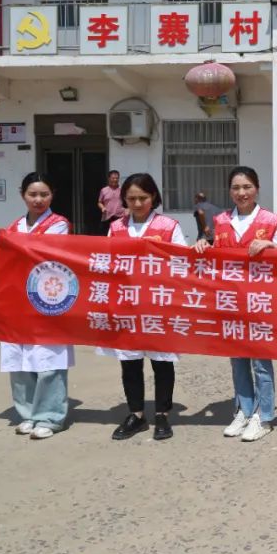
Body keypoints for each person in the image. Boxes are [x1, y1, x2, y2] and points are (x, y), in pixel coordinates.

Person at [195, 166, 277, 443]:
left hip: (260, 301)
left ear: (257, 189)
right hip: (231, 301)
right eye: (236, 188)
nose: (241, 193)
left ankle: (264, 416)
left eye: (247, 187)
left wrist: (270, 244)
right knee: (237, 360)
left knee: (261, 362)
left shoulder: (271, 220)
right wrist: (203, 245)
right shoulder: (221, 220)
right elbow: (213, 254)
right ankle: (244, 410)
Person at [98, 173, 185, 441]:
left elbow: (182, 263)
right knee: (130, 362)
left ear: (153, 197)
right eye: (131, 198)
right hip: (128, 305)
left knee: (162, 362)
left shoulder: (169, 226)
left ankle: (162, 414)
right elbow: (107, 263)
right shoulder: (116, 227)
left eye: (143, 198)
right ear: (124, 198)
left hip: (159, 304)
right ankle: (136, 414)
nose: (137, 204)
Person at [1, 172, 74, 440]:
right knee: (19, 359)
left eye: (44, 194)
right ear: (23, 195)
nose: (38, 199)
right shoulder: (14, 226)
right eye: (32, 194)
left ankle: (50, 416)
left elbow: (42, 253)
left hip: (49, 299)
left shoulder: (59, 224)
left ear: (52, 195)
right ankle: (28, 413)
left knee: (49, 358)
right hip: (17, 300)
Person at [97, 170, 124, 236]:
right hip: (107, 217)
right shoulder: (104, 190)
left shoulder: (122, 190)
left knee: (118, 236)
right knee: (105, 236)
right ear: (109, 178)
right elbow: (99, 202)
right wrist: (102, 208)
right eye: (113, 178)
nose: (115, 180)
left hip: (120, 217)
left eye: (117, 178)